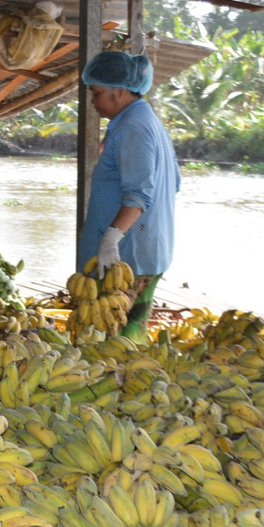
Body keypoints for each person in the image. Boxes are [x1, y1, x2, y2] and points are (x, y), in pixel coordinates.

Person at [79, 49, 181, 339]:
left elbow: (138, 195)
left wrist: (111, 238)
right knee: (130, 331)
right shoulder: (147, 123)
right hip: (148, 252)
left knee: (114, 338)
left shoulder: (134, 127)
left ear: (120, 92)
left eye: (96, 93)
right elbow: (173, 183)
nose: (93, 101)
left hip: (127, 256)